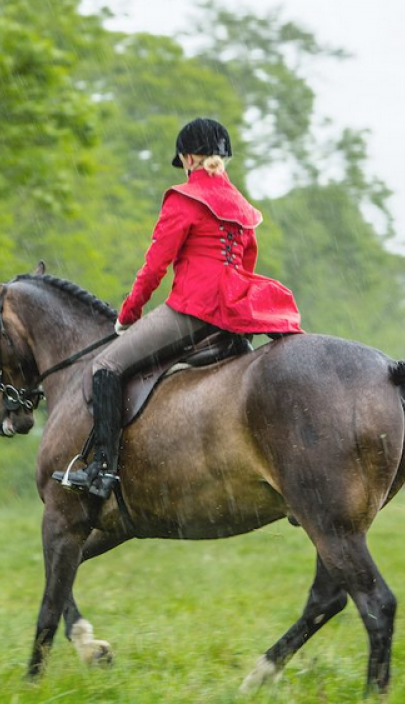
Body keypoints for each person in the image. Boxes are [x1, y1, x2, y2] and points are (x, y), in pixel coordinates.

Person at [60, 117, 302, 499]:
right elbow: (246, 263)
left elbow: (155, 265)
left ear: (188, 158)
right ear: (223, 159)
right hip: (235, 313)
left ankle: (103, 470)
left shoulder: (184, 198)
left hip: (192, 310)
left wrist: (128, 314)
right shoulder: (242, 207)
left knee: (106, 366)